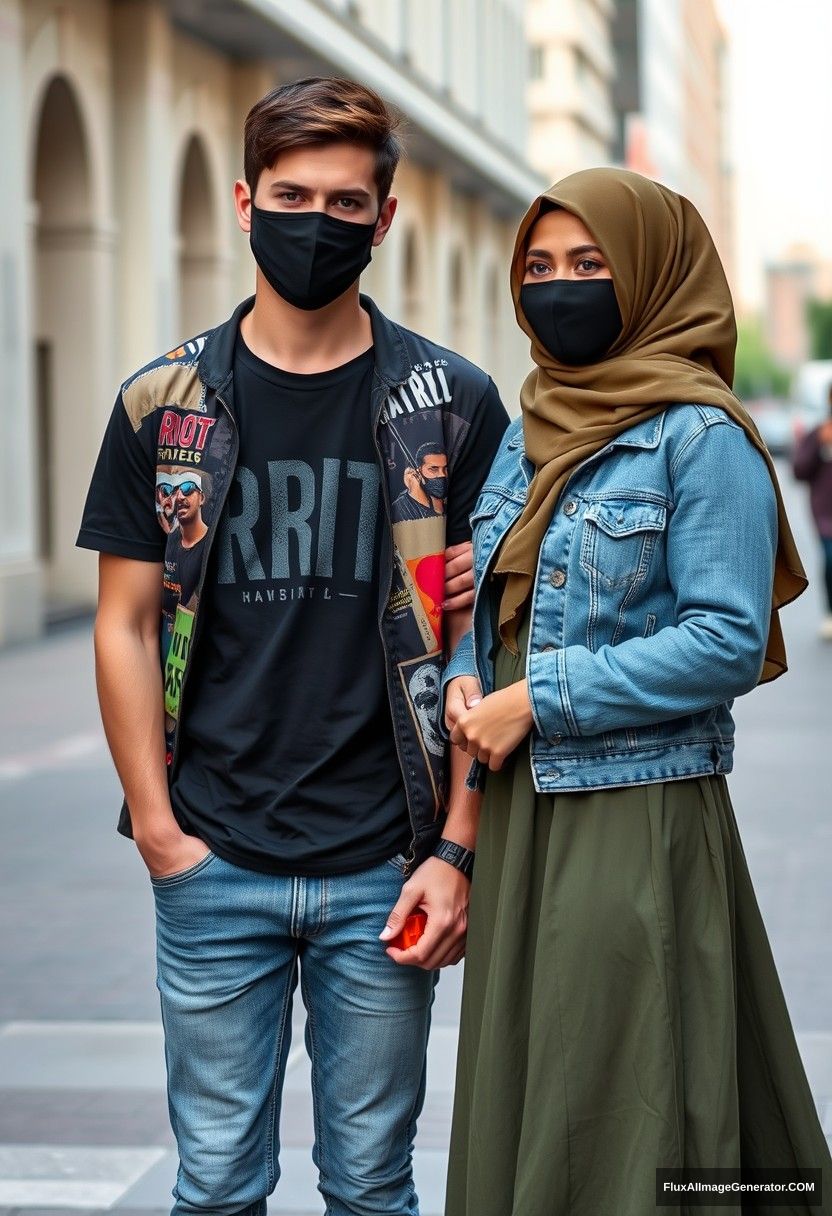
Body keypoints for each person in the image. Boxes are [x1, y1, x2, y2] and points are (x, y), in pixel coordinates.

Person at [77, 76, 509, 1216]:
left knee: (372, 1183)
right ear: (242, 201)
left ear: (385, 216)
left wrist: (454, 849)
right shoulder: (163, 404)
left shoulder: (450, 404)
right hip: (214, 852)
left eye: (344, 200)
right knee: (217, 1182)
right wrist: (161, 830)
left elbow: (484, 648)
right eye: (290, 194)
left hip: (387, 858)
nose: (316, 221)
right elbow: (122, 622)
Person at [441, 168, 831, 1216]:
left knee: (627, 1112)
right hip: (525, 810)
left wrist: (536, 698)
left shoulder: (700, 437)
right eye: (539, 268)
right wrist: (469, 676)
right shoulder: (531, 430)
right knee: (541, 1097)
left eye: (589, 265)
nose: (558, 287)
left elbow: (724, 640)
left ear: (654, 277)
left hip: (634, 810)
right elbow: (500, 604)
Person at [793, 385, 832, 639]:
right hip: (827, 516)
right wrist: (818, 445)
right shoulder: (820, 433)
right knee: (831, 559)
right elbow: (799, 470)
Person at [393, 442, 449, 520]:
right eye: (433, 469)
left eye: (446, 469)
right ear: (418, 471)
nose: (442, 474)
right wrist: (419, 498)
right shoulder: (401, 507)